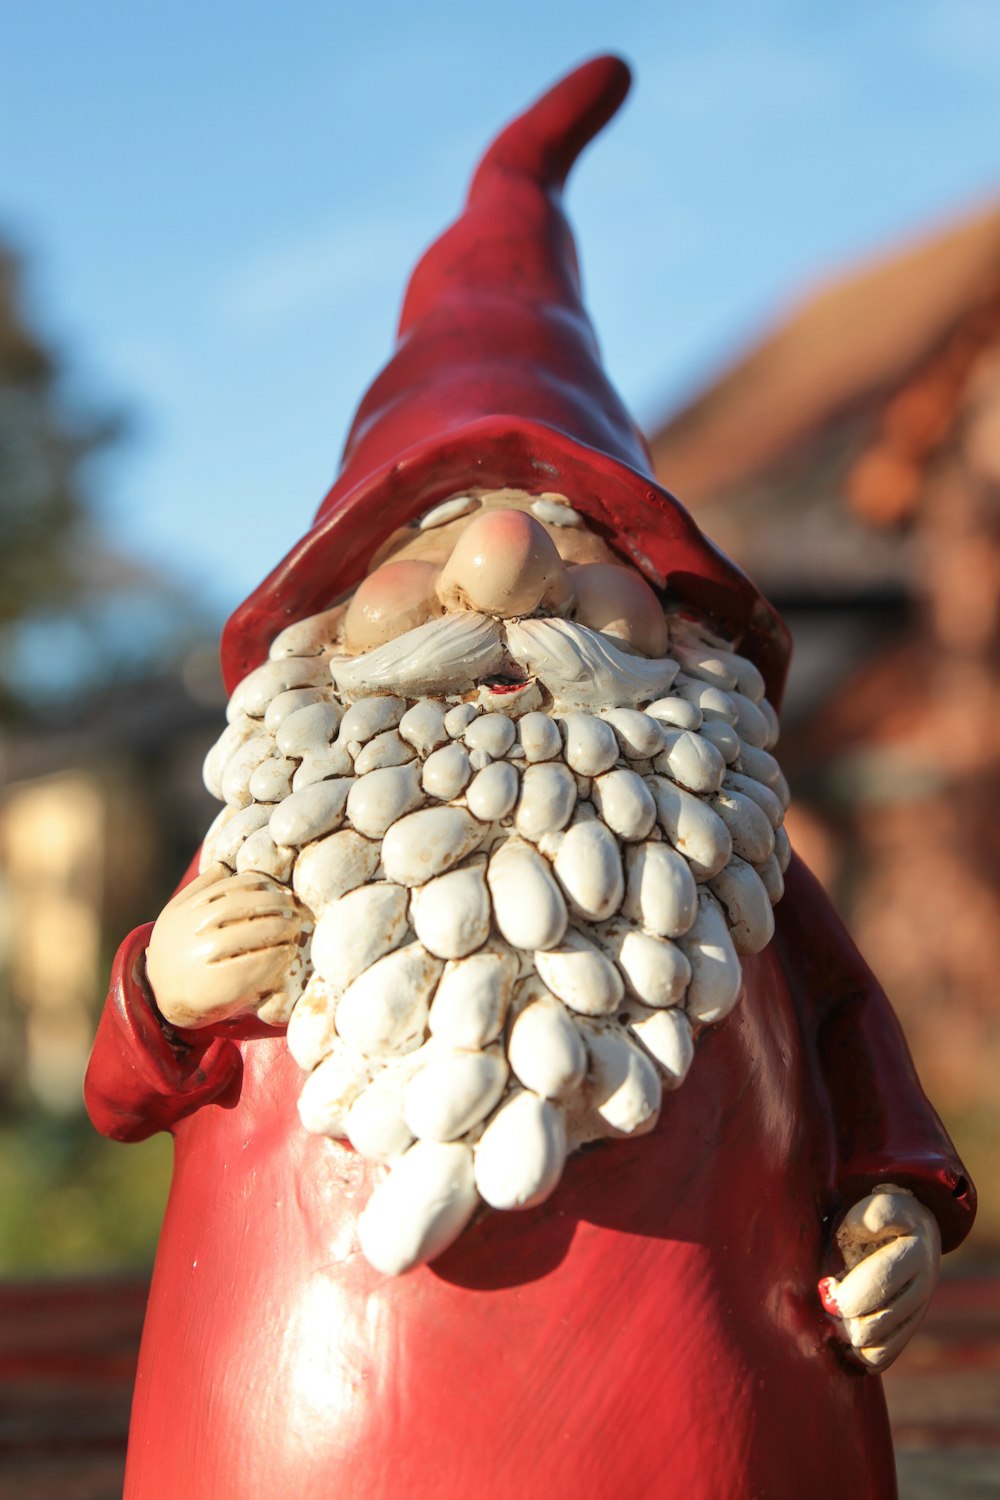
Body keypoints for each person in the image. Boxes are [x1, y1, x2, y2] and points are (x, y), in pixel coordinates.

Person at [86, 57, 974, 1500]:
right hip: (299, 1432)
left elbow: (851, 1039)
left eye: (575, 549)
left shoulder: (724, 864)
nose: (503, 583)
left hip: (708, 1416)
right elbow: (126, 1085)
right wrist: (161, 992)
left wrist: (892, 1205)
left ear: (672, 618)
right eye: (426, 553)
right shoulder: (283, 833)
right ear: (330, 613)